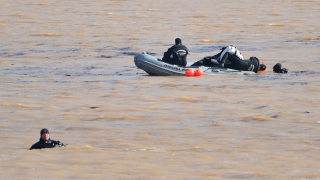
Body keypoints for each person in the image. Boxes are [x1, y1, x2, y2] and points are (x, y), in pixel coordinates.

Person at [191, 45, 266, 73]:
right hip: (238, 68)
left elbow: (228, 54)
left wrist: (222, 62)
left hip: (240, 62)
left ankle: (195, 65)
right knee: (224, 65)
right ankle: (219, 64)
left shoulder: (255, 60)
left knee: (227, 56)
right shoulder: (254, 71)